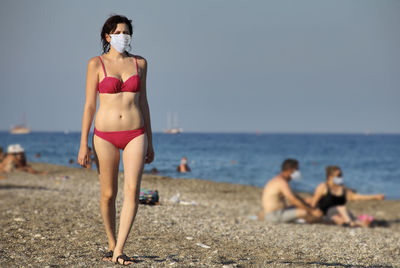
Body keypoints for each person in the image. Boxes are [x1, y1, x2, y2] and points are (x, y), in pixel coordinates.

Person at [77, 15, 154, 266]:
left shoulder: (140, 64)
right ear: (108, 36)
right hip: (104, 136)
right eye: (118, 32)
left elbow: (143, 103)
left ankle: (120, 249)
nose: (123, 36)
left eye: (127, 32)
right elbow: (89, 106)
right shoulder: (95, 64)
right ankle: (111, 242)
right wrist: (83, 143)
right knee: (109, 193)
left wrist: (150, 141)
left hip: (136, 133)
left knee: (133, 191)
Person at [310, 165, 385, 227]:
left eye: (341, 175)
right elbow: (314, 203)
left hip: (343, 213)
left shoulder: (343, 188)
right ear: (330, 176)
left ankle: (353, 222)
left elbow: (355, 197)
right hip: (327, 213)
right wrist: (313, 213)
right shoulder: (323, 187)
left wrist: (375, 197)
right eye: (338, 175)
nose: (340, 177)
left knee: (342, 213)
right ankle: (353, 223)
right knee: (339, 210)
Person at [259, 159, 322, 223]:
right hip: (274, 215)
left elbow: (295, 196)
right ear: (290, 170)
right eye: (297, 170)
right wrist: (311, 211)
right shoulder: (281, 182)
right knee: (304, 212)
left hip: (279, 211)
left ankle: (315, 217)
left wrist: (306, 202)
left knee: (308, 200)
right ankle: (319, 219)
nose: (298, 172)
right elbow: (293, 200)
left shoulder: (279, 180)